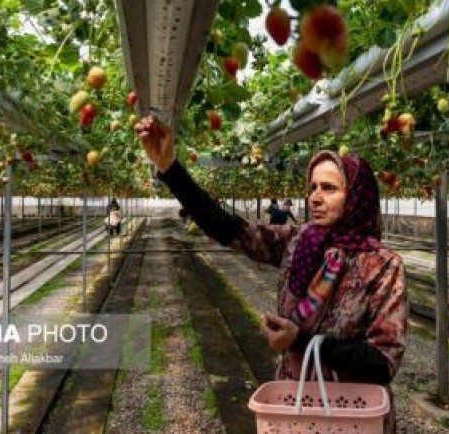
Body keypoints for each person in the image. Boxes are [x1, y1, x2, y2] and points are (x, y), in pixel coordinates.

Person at [135, 116, 408, 433]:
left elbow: (382, 363)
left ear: (357, 197)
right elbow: (230, 229)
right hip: (295, 404)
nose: (315, 197)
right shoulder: (300, 242)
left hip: (352, 416)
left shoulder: (382, 265)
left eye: (329, 188)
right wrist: (171, 168)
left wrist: (300, 340)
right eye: (313, 187)